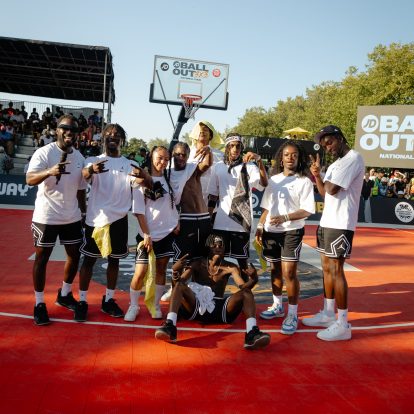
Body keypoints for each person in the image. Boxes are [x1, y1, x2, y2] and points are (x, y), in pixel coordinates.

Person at [74, 123, 149, 322]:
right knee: (88, 261)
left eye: (117, 134)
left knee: (114, 261)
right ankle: (82, 301)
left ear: (122, 140)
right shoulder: (93, 160)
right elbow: (84, 176)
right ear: (103, 138)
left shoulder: (129, 164)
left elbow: (139, 182)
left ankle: (108, 300)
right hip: (96, 220)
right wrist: (91, 170)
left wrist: (141, 177)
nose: (112, 136)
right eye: (109, 133)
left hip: (118, 220)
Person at [154, 234, 271, 349]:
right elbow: (178, 284)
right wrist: (175, 272)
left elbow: (244, 287)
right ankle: (170, 326)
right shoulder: (197, 263)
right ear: (208, 247)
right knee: (180, 285)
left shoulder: (231, 267)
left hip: (220, 309)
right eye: (214, 245)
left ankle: (251, 333)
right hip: (196, 306)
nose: (218, 247)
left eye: (221, 245)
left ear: (225, 248)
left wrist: (254, 279)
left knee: (246, 293)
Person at [303, 125, 364, 341]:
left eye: (329, 142)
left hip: (341, 223)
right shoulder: (335, 164)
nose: (327, 148)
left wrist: (324, 177)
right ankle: (328, 314)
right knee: (327, 269)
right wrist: (317, 175)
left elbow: (332, 189)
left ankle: (343, 323)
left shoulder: (353, 158)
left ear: (340, 138)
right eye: (324, 145)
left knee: (337, 271)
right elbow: (323, 192)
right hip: (327, 221)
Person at [26, 114, 87, 325]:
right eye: (65, 128)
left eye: (74, 130)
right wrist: (49, 171)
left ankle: (65, 294)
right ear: (57, 130)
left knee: (74, 256)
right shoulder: (44, 152)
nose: (70, 132)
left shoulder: (79, 157)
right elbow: (29, 179)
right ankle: (39, 303)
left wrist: (84, 214)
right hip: (47, 216)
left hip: (71, 216)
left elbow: (81, 190)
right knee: (42, 258)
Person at [255, 140, 315, 335]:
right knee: (275, 270)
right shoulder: (273, 180)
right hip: (271, 231)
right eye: (287, 155)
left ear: (298, 159)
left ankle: (293, 314)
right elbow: (266, 207)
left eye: (294, 155)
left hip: (292, 231)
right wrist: (260, 226)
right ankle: (277, 306)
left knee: (289, 273)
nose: (290, 158)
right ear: (281, 159)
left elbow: (307, 210)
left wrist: (285, 217)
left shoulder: (304, 181)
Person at [125, 146, 180, 321]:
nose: (163, 162)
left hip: (166, 234)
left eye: (166, 159)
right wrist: (147, 234)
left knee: (161, 270)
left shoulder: (168, 179)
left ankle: (155, 306)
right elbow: (139, 211)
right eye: (159, 158)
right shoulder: (140, 180)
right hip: (146, 236)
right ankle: (134, 306)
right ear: (151, 157)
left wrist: (176, 221)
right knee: (140, 272)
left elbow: (172, 204)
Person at [207, 133, 268, 272]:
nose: (235, 149)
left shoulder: (250, 166)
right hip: (220, 222)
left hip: (241, 222)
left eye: (238, 146)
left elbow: (264, 184)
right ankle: (217, 287)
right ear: (227, 148)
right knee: (216, 261)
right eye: (232, 146)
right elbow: (213, 196)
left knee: (243, 263)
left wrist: (259, 161)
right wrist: (208, 218)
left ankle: (246, 286)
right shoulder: (218, 167)